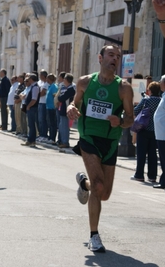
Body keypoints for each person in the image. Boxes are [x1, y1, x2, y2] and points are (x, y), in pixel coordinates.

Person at [66, 44, 134, 252]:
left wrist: (120, 121)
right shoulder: (85, 82)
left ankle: (83, 183)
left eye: (118, 56)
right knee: (98, 184)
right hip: (89, 137)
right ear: (100, 57)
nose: (115, 59)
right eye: (111, 55)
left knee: (104, 193)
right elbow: (75, 103)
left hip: (110, 141)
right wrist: (70, 108)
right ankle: (94, 235)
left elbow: (130, 118)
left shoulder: (124, 88)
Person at [130, 81, 161, 182]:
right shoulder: (161, 101)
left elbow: (136, 111)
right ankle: (152, 176)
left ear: (150, 90)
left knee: (141, 153)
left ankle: (139, 175)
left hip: (143, 129)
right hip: (155, 130)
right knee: (152, 154)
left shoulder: (146, 100)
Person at [21, 74, 40, 147]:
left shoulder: (35, 87)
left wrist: (29, 106)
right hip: (31, 107)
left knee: (31, 124)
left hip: (32, 108)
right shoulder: (32, 86)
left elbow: (34, 99)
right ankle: (30, 139)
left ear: (32, 79)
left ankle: (31, 140)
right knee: (30, 124)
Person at [58, 73, 76, 149]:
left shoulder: (71, 89)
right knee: (61, 126)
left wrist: (59, 97)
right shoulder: (64, 87)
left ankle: (65, 142)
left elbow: (62, 98)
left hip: (66, 110)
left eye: (64, 79)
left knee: (65, 127)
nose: (63, 80)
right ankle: (62, 141)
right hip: (62, 109)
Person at [45, 73, 58, 144]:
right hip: (48, 107)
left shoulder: (54, 86)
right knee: (49, 123)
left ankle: (53, 138)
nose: (46, 80)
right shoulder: (50, 86)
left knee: (53, 123)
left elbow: (55, 96)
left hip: (52, 107)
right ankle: (50, 137)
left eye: (47, 78)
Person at [37, 70, 49, 142]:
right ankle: (41, 134)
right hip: (40, 102)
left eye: (40, 75)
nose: (39, 76)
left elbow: (42, 93)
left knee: (43, 119)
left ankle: (44, 135)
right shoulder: (40, 83)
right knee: (40, 120)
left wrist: (35, 94)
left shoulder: (46, 84)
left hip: (44, 103)